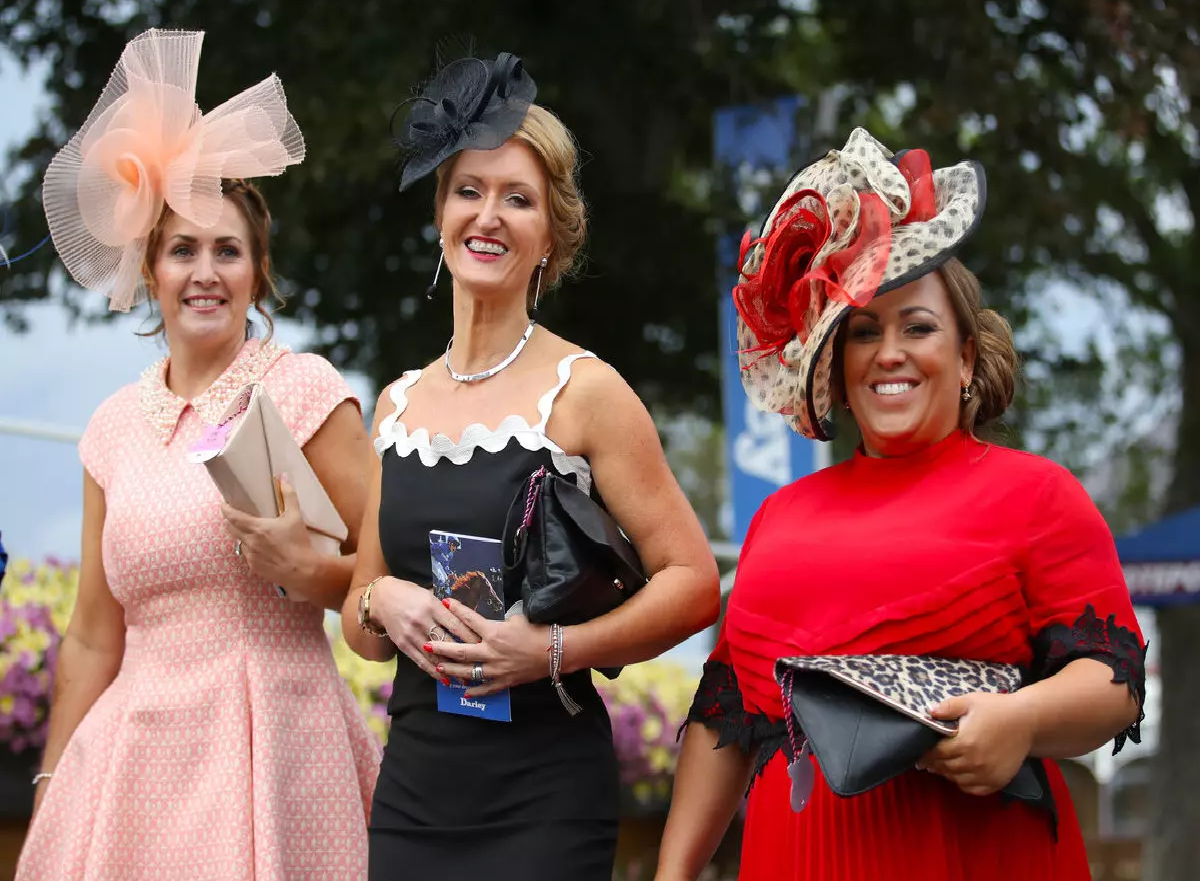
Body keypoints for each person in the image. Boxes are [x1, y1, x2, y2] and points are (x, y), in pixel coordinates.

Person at [655, 128, 1146, 881]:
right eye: (862, 332)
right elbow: (726, 717)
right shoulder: (780, 518)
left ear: (967, 357)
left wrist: (1020, 719)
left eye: (918, 327)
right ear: (837, 368)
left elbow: (1113, 681)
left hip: (973, 856)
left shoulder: (1037, 494)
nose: (889, 353)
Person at [340, 52, 721, 880]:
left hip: (544, 803)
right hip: (410, 799)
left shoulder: (586, 393)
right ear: (442, 213)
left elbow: (693, 581)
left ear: (552, 235)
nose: (490, 215)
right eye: (470, 190)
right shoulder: (396, 406)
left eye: (519, 199)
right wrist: (383, 599)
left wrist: (550, 649)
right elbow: (359, 633)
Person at [18, 29, 379, 880]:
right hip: (131, 765)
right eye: (183, 249)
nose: (205, 271)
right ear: (150, 271)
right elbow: (92, 639)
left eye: (228, 250)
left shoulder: (302, 389)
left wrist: (314, 572)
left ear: (258, 273)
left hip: (277, 745)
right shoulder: (109, 426)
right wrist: (51, 788)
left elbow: (391, 566)